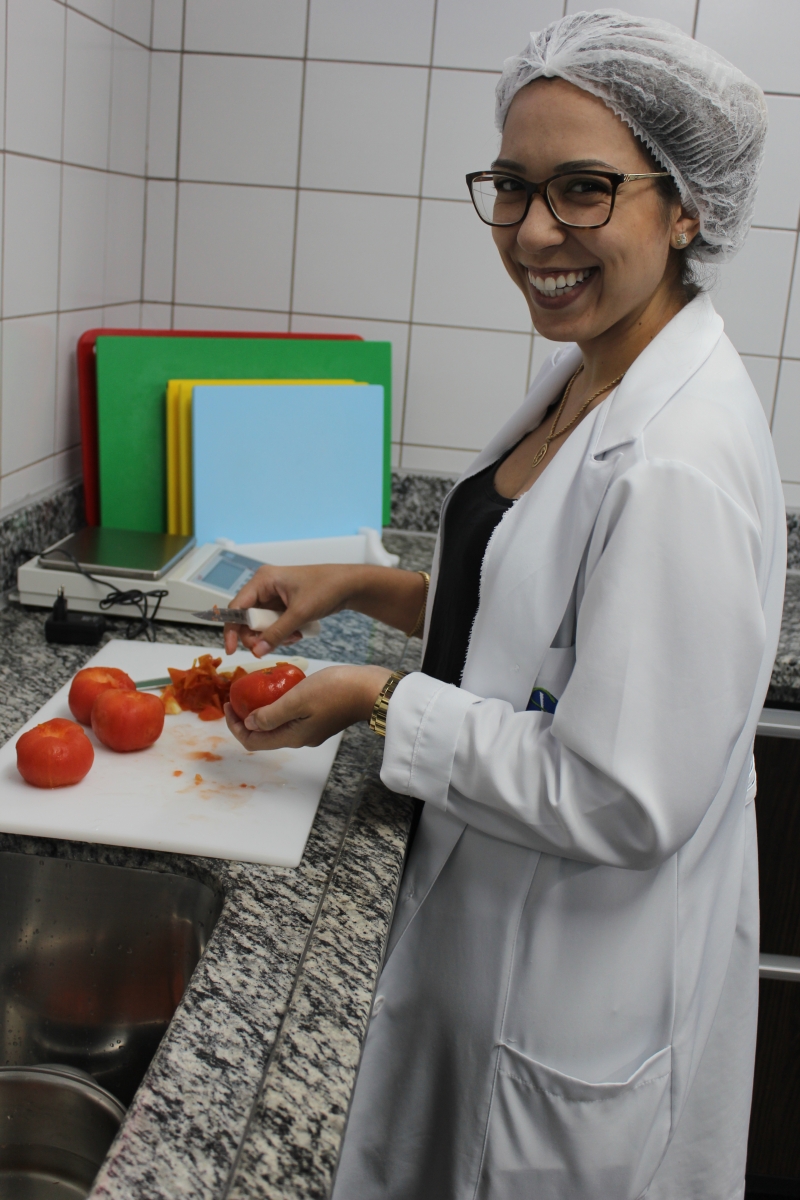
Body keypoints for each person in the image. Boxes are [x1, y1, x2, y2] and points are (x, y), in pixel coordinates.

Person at [223, 11, 785, 1198]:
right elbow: (544, 620)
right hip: (489, 940)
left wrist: (377, 698)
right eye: (513, 186)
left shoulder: (674, 457)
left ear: (684, 209)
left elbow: (619, 792)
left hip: (570, 988)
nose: (533, 231)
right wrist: (365, 587)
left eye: (583, 188)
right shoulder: (590, 373)